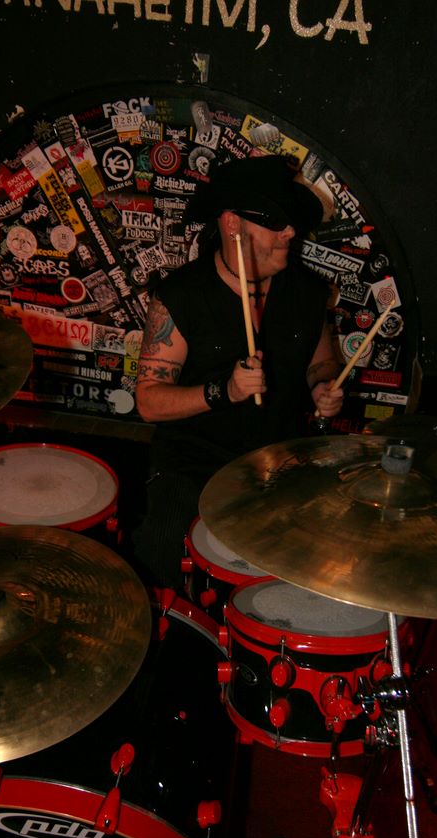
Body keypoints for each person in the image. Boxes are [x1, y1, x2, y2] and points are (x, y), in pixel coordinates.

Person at [132, 154, 344, 589]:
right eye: (275, 221)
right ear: (232, 224)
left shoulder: (306, 292)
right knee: (162, 550)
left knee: (323, 556)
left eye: (290, 221)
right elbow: (149, 402)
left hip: (279, 459)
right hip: (193, 461)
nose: (290, 232)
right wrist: (222, 391)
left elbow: (322, 362)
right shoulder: (181, 296)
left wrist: (323, 386)